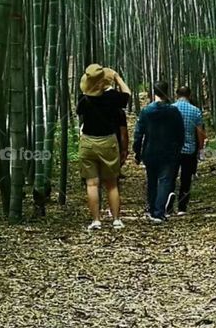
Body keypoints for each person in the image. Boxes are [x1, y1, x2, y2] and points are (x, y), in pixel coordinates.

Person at [77, 64, 131, 231]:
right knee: (112, 184)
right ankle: (116, 220)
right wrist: (116, 77)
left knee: (92, 184)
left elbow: (80, 113)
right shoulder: (112, 97)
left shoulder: (84, 99)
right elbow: (127, 94)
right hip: (107, 142)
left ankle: (96, 221)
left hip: (87, 142)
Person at [133, 82, 184, 223]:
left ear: (153, 92)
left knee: (152, 181)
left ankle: (152, 210)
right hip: (168, 152)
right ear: (168, 92)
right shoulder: (173, 111)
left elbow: (138, 134)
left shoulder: (146, 111)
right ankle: (158, 212)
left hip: (150, 151)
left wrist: (137, 152)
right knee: (165, 181)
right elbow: (180, 133)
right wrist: (178, 149)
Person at [173, 85, 206, 215]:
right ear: (190, 95)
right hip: (189, 149)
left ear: (177, 95)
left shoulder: (171, 109)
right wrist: (201, 148)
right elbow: (200, 133)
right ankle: (182, 207)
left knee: (170, 177)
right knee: (186, 179)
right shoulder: (195, 110)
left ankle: (168, 206)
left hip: (173, 149)